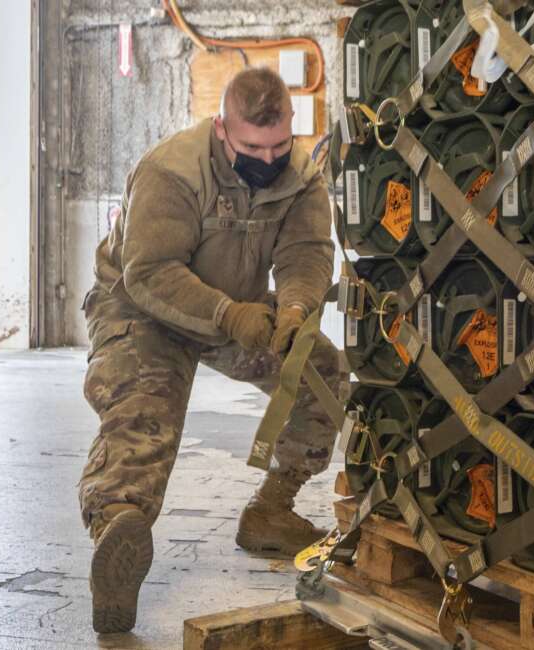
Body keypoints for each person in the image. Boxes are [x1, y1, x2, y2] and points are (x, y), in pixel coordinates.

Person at [77, 66, 340, 634]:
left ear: (291, 127)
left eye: (278, 145)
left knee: (320, 369)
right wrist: (228, 314)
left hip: (235, 313)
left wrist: (293, 309)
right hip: (142, 308)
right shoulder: (172, 170)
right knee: (142, 413)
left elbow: (307, 254)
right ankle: (119, 529)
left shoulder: (300, 176)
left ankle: (273, 507)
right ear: (222, 129)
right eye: (251, 146)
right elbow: (149, 272)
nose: (267, 159)